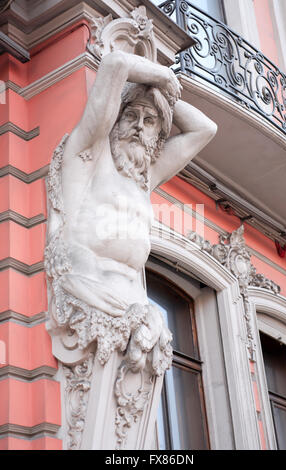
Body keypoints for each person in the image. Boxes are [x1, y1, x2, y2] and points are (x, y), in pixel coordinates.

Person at [45, 51, 217, 365]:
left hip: (135, 308)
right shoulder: (88, 156)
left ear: (157, 135)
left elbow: (205, 130)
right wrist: (160, 77)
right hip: (90, 298)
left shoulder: (144, 176)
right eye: (131, 116)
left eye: (149, 121)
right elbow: (114, 65)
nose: (139, 126)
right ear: (115, 119)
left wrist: (163, 96)